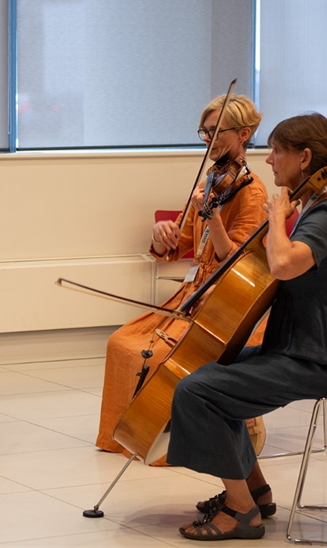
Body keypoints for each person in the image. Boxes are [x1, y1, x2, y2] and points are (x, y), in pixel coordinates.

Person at [168, 112, 327, 541]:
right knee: (208, 370)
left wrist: (277, 217)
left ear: (305, 157)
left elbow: (281, 263)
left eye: (278, 151)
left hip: (321, 359)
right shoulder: (312, 207)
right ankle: (255, 491)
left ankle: (241, 513)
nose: (271, 159)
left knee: (198, 391)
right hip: (295, 348)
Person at [97, 94, 269, 456]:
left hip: (227, 303)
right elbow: (174, 249)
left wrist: (213, 217)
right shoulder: (211, 182)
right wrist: (163, 235)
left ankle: (176, 443)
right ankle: (133, 436)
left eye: (216, 131)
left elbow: (236, 260)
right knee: (122, 343)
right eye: (204, 132)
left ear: (244, 134)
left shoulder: (252, 192)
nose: (208, 140)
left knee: (159, 357)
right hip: (193, 294)